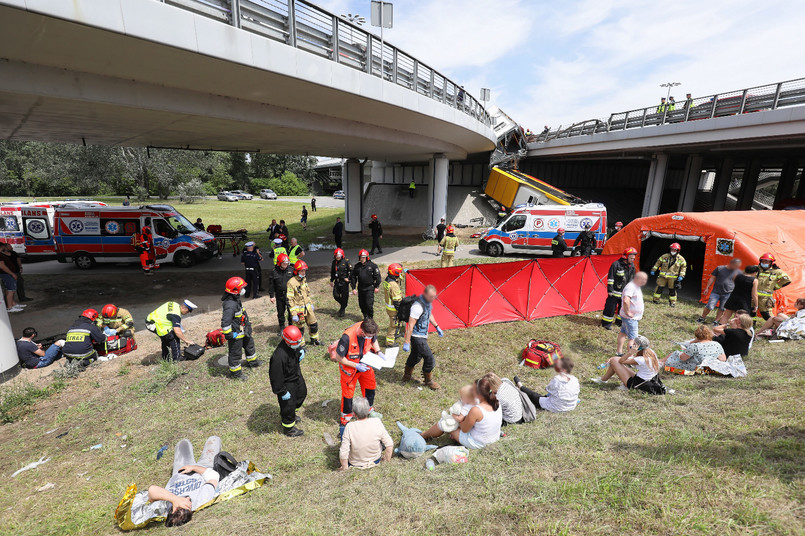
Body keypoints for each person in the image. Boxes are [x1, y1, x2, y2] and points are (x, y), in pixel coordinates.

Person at [146, 436, 222, 527]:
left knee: (183, 443)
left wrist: (174, 499)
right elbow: (213, 476)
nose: (185, 501)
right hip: (202, 469)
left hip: (180, 470)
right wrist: (194, 468)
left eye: (179, 507)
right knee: (214, 440)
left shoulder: (167, 506)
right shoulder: (200, 500)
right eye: (187, 506)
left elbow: (151, 490)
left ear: (173, 510)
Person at [420, 375, 502, 450]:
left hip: (479, 443)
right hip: (494, 438)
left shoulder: (476, 410)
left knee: (447, 424)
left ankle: (423, 436)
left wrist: (459, 418)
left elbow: (464, 429)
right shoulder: (496, 402)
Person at [328, 319, 382, 426]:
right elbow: (339, 358)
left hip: (366, 364)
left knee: (370, 388)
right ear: (362, 332)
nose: (370, 338)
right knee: (348, 394)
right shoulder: (347, 337)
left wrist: (378, 351)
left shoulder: (369, 328)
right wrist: (356, 365)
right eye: (368, 336)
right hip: (350, 369)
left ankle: (369, 410)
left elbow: (373, 340)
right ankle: (346, 418)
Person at [402, 284, 444, 390]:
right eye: (431, 296)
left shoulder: (427, 304)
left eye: (434, 296)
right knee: (429, 358)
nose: (432, 299)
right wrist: (407, 342)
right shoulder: (417, 306)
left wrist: (437, 326)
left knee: (416, 356)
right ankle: (428, 381)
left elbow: (429, 314)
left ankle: (406, 376)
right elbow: (410, 325)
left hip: (422, 335)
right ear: (425, 294)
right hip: (417, 337)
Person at [269, 325, 307, 437]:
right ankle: (289, 428)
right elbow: (275, 376)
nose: (298, 345)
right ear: (287, 341)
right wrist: (281, 391)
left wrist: (301, 350)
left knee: (302, 393)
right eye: (296, 343)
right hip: (286, 383)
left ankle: (292, 413)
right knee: (288, 405)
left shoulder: (293, 346)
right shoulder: (279, 356)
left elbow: (297, 346)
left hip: (296, 375)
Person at [592, 335, 664, 394]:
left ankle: (603, 380)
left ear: (638, 347)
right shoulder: (651, 353)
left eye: (634, 344)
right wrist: (613, 358)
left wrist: (630, 352)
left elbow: (621, 361)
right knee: (614, 361)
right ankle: (603, 380)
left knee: (614, 361)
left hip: (637, 383)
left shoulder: (641, 359)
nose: (632, 345)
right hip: (647, 380)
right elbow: (622, 360)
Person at [339, 396, 394, 470]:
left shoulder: (349, 427)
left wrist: (345, 468)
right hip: (375, 460)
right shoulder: (377, 422)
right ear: (368, 410)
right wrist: (386, 460)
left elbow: (343, 453)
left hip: (355, 463)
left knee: (342, 428)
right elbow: (389, 444)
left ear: (354, 413)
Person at [221, 277, 259, 381]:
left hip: (243, 330)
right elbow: (225, 322)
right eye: (241, 288)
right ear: (235, 290)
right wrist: (230, 335)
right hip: (236, 335)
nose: (243, 289)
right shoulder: (230, 305)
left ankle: (253, 363)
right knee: (235, 354)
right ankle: (236, 374)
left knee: (249, 345)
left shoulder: (235, 299)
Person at [513, 357, 579, 412]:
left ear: (563, 370)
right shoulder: (575, 380)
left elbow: (548, 389)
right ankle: (520, 387)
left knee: (535, 396)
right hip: (571, 406)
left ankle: (520, 387)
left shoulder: (557, 379)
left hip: (557, 407)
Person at [698, 258, 742, 324]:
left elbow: (738, 283)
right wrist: (707, 288)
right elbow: (712, 278)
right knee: (710, 305)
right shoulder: (720, 268)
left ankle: (716, 321)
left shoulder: (738, 272)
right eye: (736, 266)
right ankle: (702, 318)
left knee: (722, 308)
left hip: (728, 293)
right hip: (716, 292)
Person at [287, 260, 321, 346]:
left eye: (305, 270)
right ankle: (301, 345)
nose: (304, 272)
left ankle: (315, 340)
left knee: (313, 324)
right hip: (299, 310)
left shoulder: (304, 279)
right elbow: (289, 299)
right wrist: (294, 314)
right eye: (302, 271)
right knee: (300, 329)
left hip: (308, 307)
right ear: (296, 271)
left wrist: (311, 303)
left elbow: (307, 293)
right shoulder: (291, 282)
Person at [602, 247, 637, 330]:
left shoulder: (631, 266)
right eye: (631, 258)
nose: (633, 260)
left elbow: (632, 279)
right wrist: (610, 290)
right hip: (614, 292)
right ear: (626, 256)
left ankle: (619, 322)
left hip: (625, 293)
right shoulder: (616, 264)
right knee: (610, 308)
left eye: (634, 258)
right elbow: (610, 279)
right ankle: (606, 323)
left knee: (623, 309)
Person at [617, 271, 647, 355]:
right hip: (630, 318)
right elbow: (626, 300)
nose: (645, 281)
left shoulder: (636, 286)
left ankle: (619, 352)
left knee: (623, 333)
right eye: (643, 279)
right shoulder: (631, 287)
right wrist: (628, 312)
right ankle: (629, 357)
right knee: (633, 339)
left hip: (629, 317)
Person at [756, 252, 791, 320]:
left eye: (767, 261)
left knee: (766, 314)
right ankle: (751, 326)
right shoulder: (756, 269)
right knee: (751, 312)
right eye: (763, 261)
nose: (765, 263)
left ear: (771, 262)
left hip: (765, 298)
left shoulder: (776, 271)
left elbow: (787, 279)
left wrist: (775, 287)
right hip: (753, 296)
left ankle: (772, 327)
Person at [350, 250, 381, 319]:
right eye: (361, 257)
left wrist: (377, 287)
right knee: (362, 304)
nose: (362, 259)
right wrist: (353, 288)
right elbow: (353, 277)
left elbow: (378, 277)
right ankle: (365, 316)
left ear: (367, 257)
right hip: (361, 288)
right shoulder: (357, 266)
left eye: (364, 257)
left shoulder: (372, 265)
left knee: (368, 304)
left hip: (369, 288)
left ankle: (370, 317)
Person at [268, 253, 294, 332]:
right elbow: (271, 285)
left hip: (290, 295)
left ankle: (291, 326)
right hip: (280, 296)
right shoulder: (274, 272)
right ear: (279, 263)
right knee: (280, 312)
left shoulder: (291, 270)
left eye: (286, 263)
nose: (285, 265)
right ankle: (282, 327)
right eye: (284, 263)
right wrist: (272, 296)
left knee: (291, 311)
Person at [382, 263, 404, 347]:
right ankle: (390, 342)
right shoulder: (393, 285)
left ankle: (395, 334)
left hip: (389, 307)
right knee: (393, 325)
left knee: (397, 322)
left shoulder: (388, 280)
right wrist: (400, 310)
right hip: (394, 309)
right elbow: (396, 300)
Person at [0, 243, 23, 313]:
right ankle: (10, 307)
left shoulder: (1, 254)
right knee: (11, 290)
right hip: (6, 274)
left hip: (7, 274)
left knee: (11, 290)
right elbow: (2, 266)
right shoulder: (0, 255)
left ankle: (13, 304)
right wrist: (12, 274)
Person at [330, 248, 352, 318]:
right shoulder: (334, 262)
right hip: (337, 282)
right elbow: (333, 272)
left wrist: (349, 279)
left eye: (339, 255)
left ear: (342, 255)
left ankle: (342, 310)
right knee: (336, 295)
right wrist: (331, 280)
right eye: (336, 255)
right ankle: (344, 304)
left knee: (344, 297)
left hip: (344, 283)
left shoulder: (346, 262)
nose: (338, 257)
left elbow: (351, 271)